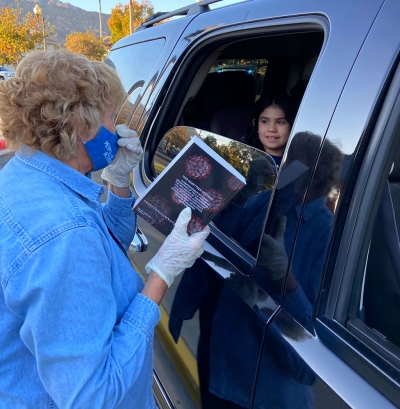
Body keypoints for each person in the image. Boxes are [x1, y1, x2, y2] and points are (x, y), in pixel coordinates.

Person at [0, 50, 209, 408]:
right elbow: (97, 397)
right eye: (113, 117)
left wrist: (118, 180)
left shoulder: (25, 175)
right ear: (83, 125)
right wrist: (161, 274)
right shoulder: (65, 235)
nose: (119, 128)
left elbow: (105, 247)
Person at [169, 131, 344, 408]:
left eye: (292, 163)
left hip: (258, 387)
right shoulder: (269, 199)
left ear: (313, 175)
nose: (283, 168)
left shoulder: (326, 231)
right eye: (284, 160)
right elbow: (219, 245)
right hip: (219, 355)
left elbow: (315, 338)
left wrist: (283, 277)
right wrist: (241, 195)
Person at [243, 94, 296, 167]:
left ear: (292, 126)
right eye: (265, 121)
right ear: (256, 125)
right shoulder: (243, 161)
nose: (271, 129)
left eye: (280, 122)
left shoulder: (300, 168)